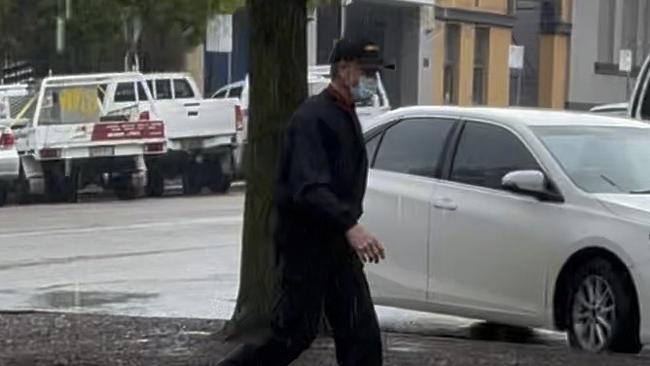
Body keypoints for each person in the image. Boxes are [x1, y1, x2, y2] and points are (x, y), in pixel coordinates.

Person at [217, 38, 388, 366]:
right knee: (292, 334)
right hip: (307, 247)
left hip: (336, 247)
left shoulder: (343, 113)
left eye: (377, 71)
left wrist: (346, 227)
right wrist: (350, 225)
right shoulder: (313, 118)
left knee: (361, 334)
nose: (373, 79)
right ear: (342, 69)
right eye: (367, 71)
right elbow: (309, 187)